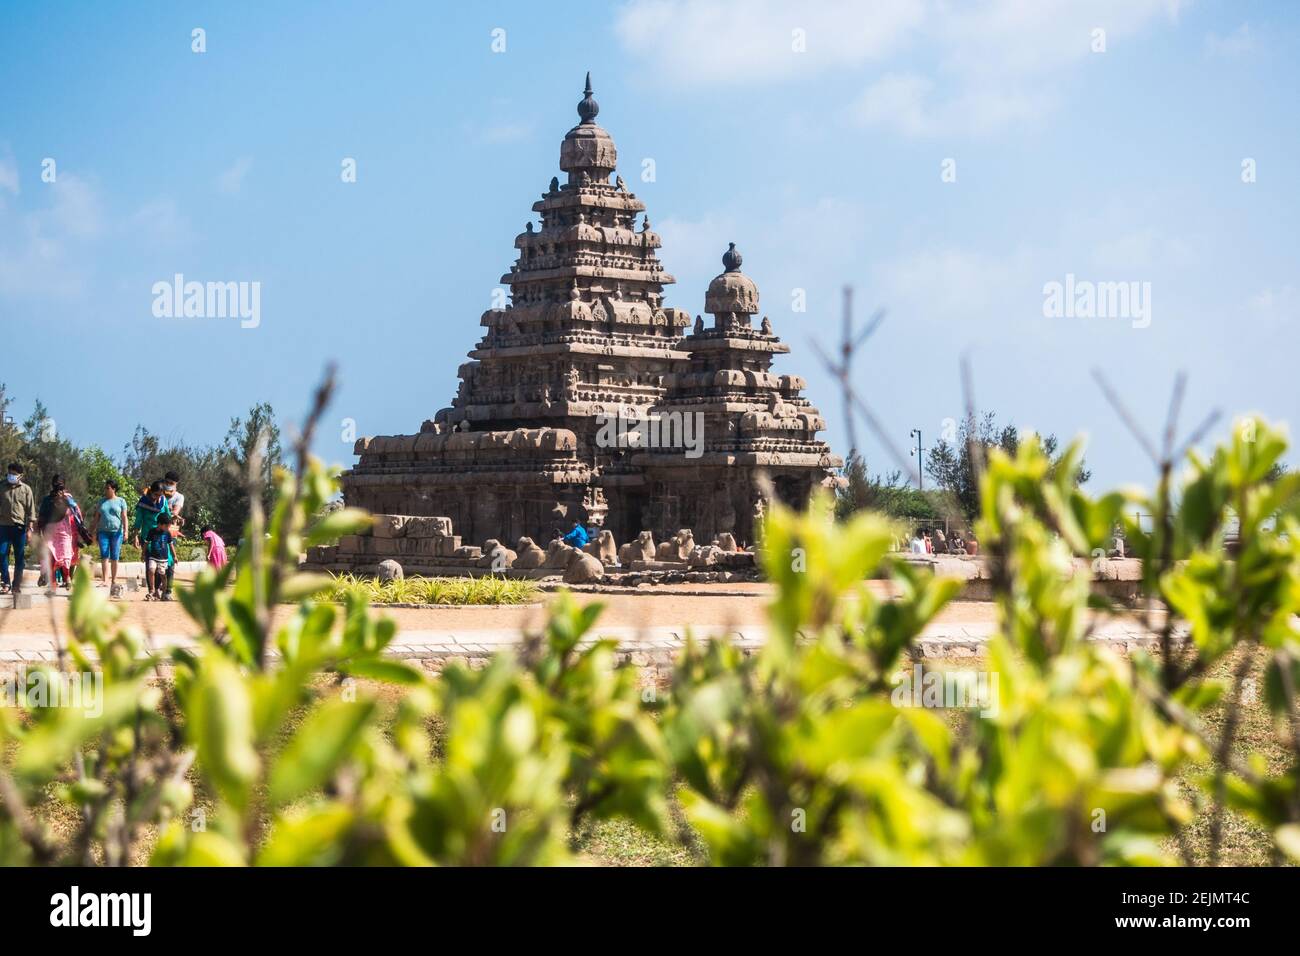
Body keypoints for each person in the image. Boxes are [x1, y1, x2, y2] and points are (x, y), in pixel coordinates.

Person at [38, 476, 83, 592]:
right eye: (57, 484)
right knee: (52, 557)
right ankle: (54, 584)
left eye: (60, 485)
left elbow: (76, 514)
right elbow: (42, 516)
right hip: (52, 533)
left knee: (65, 557)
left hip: (64, 533)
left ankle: (66, 578)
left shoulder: (68, 499)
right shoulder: (48, 500)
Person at [0, 462, 36, 595]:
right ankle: (5, 583)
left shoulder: (26, 489)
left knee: (19, 558)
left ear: (20, 475)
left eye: (14, 474)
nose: (11, 476)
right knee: (1, 554)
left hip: (19, 528)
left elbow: (31, 511)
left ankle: (16, 585)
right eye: (9, 473)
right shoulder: (1, 486)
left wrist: (30, 530)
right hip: (3, 527)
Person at [94, 479, 129, 595]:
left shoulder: (121, 501)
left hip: (116, 532)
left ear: (114, 489)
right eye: (105, 487)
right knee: (104, 554)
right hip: (103, 532)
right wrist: (92, 532)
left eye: (108, 488)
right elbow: (96, 518)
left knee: (115, 556)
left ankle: (113, 579)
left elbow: (124, 517)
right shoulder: (101, 501)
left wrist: (126, 532)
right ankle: (105, 580)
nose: (106, 490)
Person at [144, 513, 177, 600]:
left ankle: (164, 593)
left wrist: (175, 556)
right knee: (151, 570)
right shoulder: (152, 531)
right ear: (160, 524)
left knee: (163, 575)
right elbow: (146, 543)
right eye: (167, 526)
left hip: (163, 559)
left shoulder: (167, 533)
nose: (168, 528)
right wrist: (143, 554)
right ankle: (152, 590)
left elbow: (171, 545)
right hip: (153, 557)